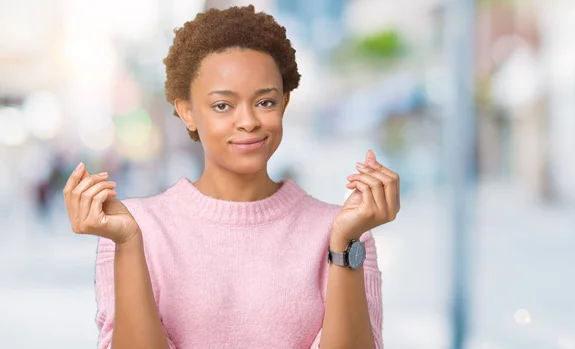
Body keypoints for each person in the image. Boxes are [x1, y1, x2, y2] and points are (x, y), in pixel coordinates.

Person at [62, 5, 400, 349]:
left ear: (284, 103)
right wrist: (130, 244)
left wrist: (344, 244)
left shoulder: (344, 233)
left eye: (265, 102)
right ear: (187, 112)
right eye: (223, 105)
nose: (248, 121)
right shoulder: (134, 228)